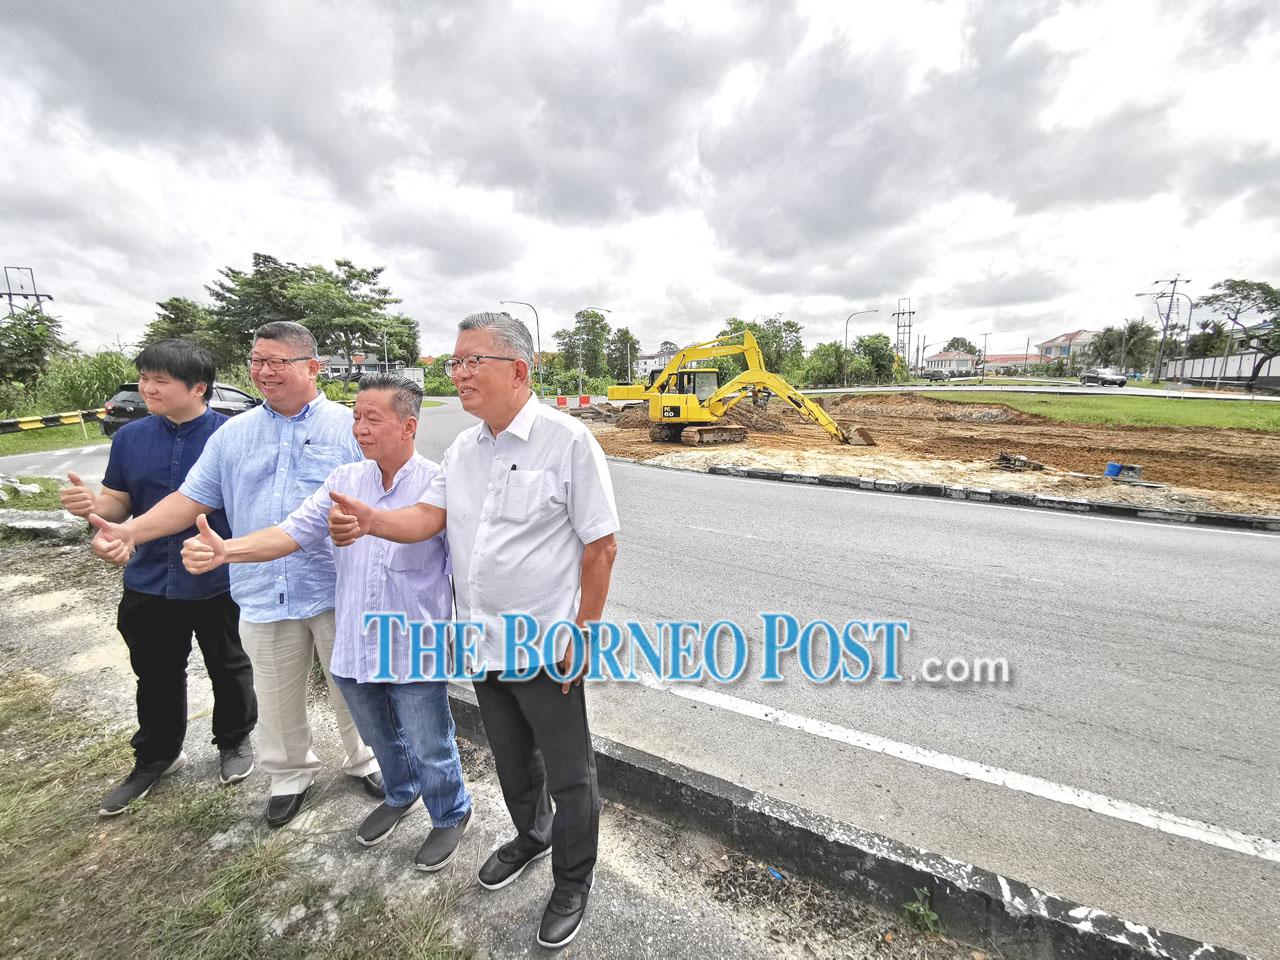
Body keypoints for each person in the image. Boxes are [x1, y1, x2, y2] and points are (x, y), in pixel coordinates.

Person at [327, 313, 618, 949]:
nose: (457, 374)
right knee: (513, 758)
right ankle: (532, 835)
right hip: (481, 644)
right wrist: (374, 521)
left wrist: (585, 632)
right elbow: (428, 519)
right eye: (454, 363)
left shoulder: (567, 442)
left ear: (517, 370)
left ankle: (573, 880)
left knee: (571, 774)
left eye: (470, 362)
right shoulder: (464, 450)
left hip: (545, 644)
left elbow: (601, 544)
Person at [86, 321, 382, 828]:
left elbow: (384, 496)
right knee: (274, 689)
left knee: (354, 686)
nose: (264, 371)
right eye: (256, 361)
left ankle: (366, 760)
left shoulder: (349, 427)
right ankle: (289, 773)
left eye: (277, 361)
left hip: (339, 587)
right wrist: (131, 533)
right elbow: (191, 498)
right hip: (262, 587)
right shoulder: (234, 434)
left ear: (313, 368)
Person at [180, 374, 472, 868]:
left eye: (372, 418)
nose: (359, 427)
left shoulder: (438, 482)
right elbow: (291, 533)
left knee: (430, 740)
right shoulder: (343, 482)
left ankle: (450, 812)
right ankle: (400, 794)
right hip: (356, 639)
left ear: (408, 425)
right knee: (379, 735)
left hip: (414, 640)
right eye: (356, 416)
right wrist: (227, 550)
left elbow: (450, 550)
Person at [60, 340, 258, 816]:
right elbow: (116, 503)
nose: (146, 388)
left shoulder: (231, 437)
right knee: (155, 673)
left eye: (159, 380)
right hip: (149, 577)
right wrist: (94, 509)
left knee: (229, 665)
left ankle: (233, 741)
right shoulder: (130, 438)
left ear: (198, 388)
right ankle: (156, 756)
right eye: (144, 377)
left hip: (217, 576)